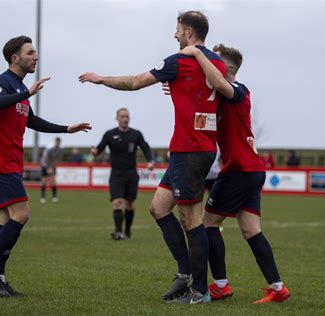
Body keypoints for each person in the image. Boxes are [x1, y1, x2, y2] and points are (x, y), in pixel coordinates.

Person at [79, 11, 226, 304]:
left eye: (177, 29)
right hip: (189, 148)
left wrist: (101, 79)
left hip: (191, 150)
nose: (174, 35)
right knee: (159, 208)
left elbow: (135, 82)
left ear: (188, 33)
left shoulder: (179, 60)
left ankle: (200, 291)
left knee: (191, 218)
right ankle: (185, 276)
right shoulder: (216, 62)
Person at [0, 35, 91, 298]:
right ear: (15, 58)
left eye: (36, 52)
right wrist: (26, 92)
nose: (35, 57)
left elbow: (32, 121)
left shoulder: (18, 87)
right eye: (30, 53)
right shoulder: (2, 82)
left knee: (6, 218)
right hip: (0, 159)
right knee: (22, 214)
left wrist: (66, 129)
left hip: (10, 160)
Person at [180, 43, 290, 303]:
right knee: (251, 230)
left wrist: (196, 52)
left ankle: (220, 285)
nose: (210, 63)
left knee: (207, 225)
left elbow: (218, 85)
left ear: (226, 68)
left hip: (239, 171)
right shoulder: (224, 95)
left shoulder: (238, 91)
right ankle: (278, 288)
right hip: (251, 171)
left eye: (215, 61)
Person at [91, 108, 154, 240]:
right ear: (117, 118)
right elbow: (100, 148)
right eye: (122, 116)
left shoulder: (136, 134)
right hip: (116, 175)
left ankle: (127, 231)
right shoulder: (110, 134)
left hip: (131, 174)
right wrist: (95, 151)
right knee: (117, 202)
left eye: (127, 116)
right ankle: (118, 232)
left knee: (130, 204)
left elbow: (145, 148)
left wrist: (150, 161)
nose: (125, 119)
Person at [40, 137, 64, 203]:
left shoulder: (60, 150)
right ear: (55, 142)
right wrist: (48, 168)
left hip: (52, 165)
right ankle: (42, 197)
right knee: (44, 181)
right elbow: (46, 159)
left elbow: (58, 158)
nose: (57, 143)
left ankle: (54, 197)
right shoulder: (50, 149)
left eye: (59, 142)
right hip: (45, 165)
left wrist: (52, 166)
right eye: (56, 142)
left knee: (53, 181)